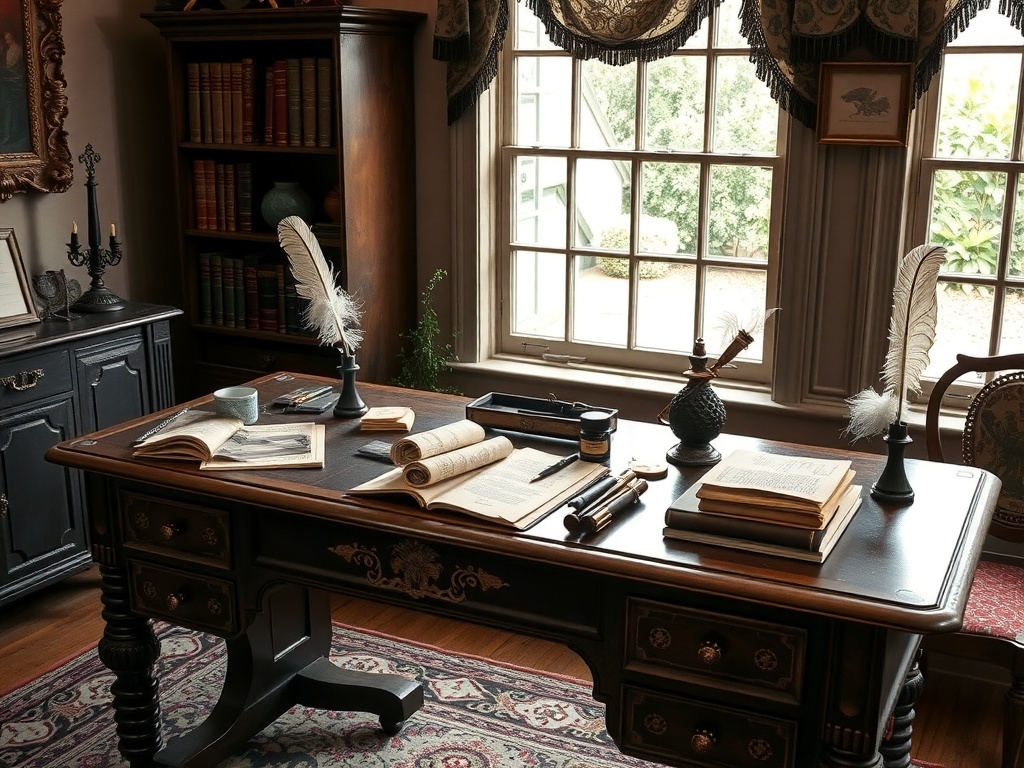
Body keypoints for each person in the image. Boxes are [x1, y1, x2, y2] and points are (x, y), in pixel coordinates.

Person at [0, 29, 30, 152]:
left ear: (12, 37)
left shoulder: (17, 49)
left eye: (7, 37)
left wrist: (2, 70)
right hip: (7, 82)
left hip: (14, 83)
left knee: (11, 107)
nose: (6, 40)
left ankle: (11, 134)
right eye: (5, 38)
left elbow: (11, 67)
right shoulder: (5, 49)